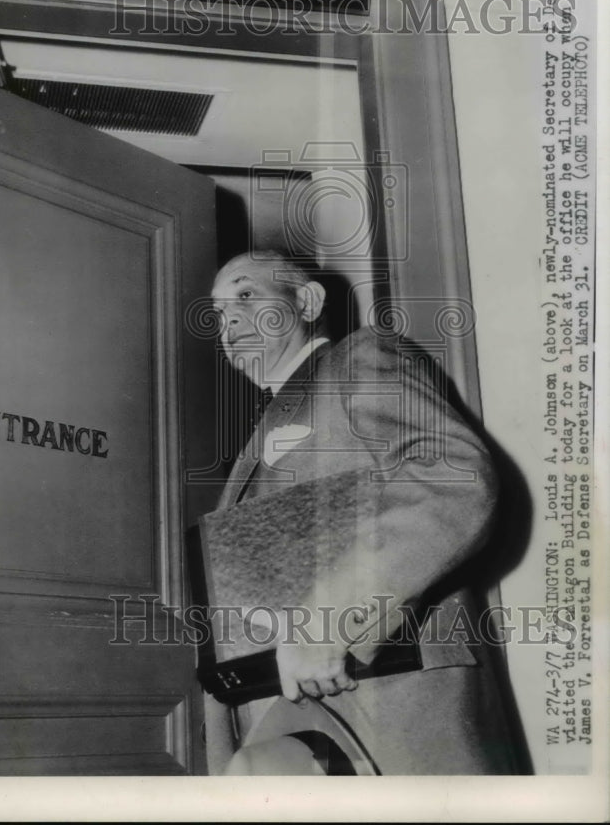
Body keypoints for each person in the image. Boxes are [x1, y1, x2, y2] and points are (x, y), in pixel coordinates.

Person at [202, 250, 525, 775]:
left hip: (382, 700)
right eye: (217, 312)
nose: (228, 320)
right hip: (286, 716)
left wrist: (334, 617)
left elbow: (454, 479)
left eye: (245, 295)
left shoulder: (360, 359)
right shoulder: (261, 433)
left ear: (306, 302)